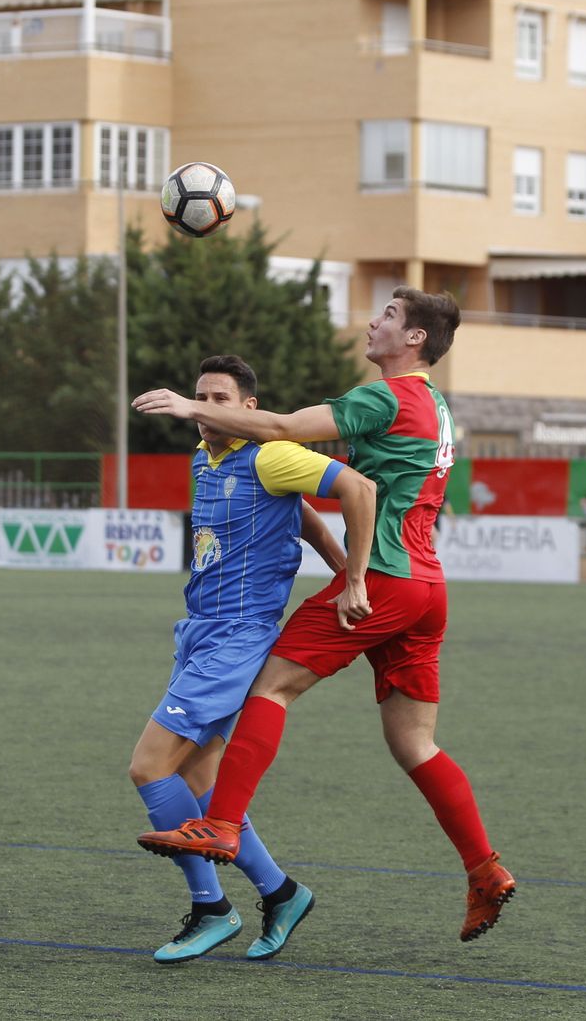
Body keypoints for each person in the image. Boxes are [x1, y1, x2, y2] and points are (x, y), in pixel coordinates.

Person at [130, 287, 517, 942]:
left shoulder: (387, 395)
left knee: (269, 685)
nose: (373, 322)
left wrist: (189, 404)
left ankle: (222, 823)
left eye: (389, 316)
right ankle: (483, 868)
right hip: (427, 585)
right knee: (414, 742)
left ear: (416, 338)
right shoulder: (436, 407)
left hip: (388, 578)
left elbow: (282, 430)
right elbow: (355, 475)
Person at [127, 354, 377, 964]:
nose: (204, 407)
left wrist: (357, 580)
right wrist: (335, 563)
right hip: (198, 631)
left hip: (238, 637)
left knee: (149, 765)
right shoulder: (205, 457)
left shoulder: (270, 453)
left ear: (249, 408)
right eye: (198, 396)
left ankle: (212, 907)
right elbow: (306, 517)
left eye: (219, 398)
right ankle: (282, 893)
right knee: (200, 778)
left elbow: (358, 488)